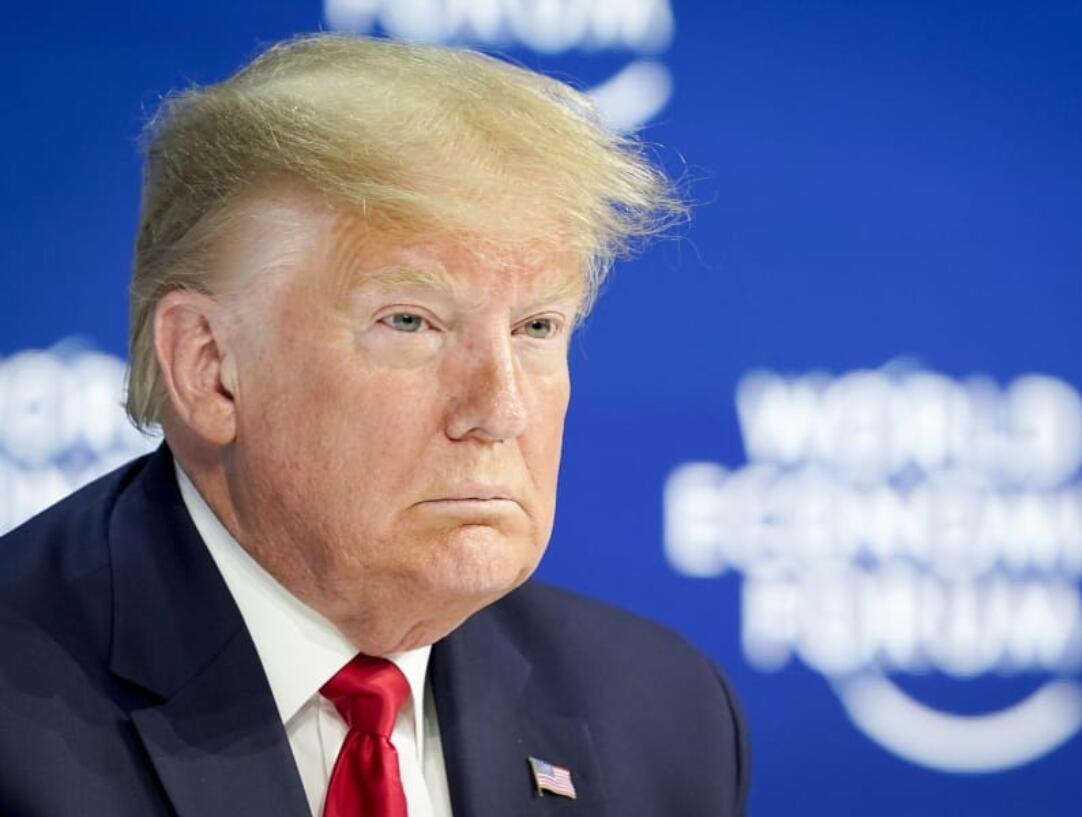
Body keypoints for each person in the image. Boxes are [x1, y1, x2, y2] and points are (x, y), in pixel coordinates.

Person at [0, 33, 748, 817]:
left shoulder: (664, 715)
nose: (499, 409)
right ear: (210, 366)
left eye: (535, 329)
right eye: (411, 321)